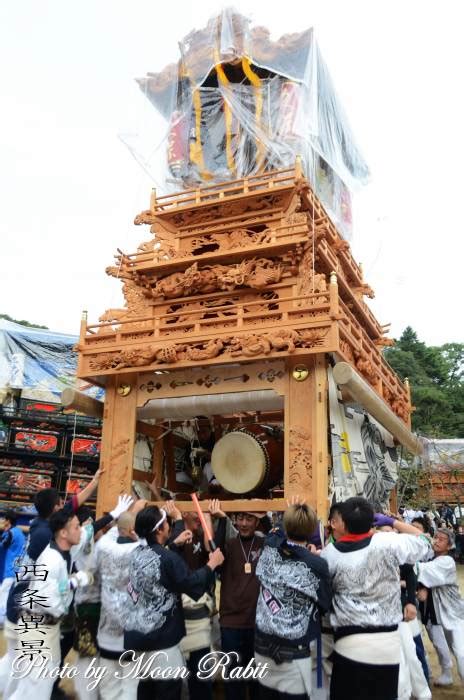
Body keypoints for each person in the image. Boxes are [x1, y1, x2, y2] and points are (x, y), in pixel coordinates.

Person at [320, 497, 432, 700]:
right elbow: (425, 540)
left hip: (348, 642)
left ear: (343, 522)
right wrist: (392, 522)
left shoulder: (329, 554)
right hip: (386, 645)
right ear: (372, 521)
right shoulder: (387, 542)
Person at [119, 505, 224, 700]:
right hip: (161, 643)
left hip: (138, 637)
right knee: (167, 693)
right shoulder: (168, 559)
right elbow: (191, 584)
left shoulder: (135, 553)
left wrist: (174, 544)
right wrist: (212, 564)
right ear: (159, 529)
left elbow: (159, 562)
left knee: (145, 691)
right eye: (167, 522)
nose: (169, 525)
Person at [3, 508, 94, 700]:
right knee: (36, 687)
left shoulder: (59, 552)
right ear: (63, 532)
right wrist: (73, 582)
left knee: (34, 683)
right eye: (77, 527)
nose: (81, 530)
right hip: (37, 625)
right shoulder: (52, 559)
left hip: (43, 626)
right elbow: (49, 601)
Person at [254, 501, 332, 699]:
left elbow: (274, 534)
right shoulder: (317, 564)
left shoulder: (269, 548)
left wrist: (285, 518)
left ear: (286, 526)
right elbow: (325, 603)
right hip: (294, 651)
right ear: (312, 529)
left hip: (262, 644)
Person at [212, 503, 271, 700]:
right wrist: (222, 520)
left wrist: (264, 516)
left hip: (257, 622)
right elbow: (214, 549)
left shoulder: (264, 544)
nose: (243, 523)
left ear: (257, 521)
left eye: (249, 518)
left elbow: (278, 540)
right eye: (240, 518)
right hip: (231, 622)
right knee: (233, 678)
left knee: (256, 679)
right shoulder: (228, 544)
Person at [167, 501, 216, 700]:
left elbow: (210, 546)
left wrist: (208, 516)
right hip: (176, 618)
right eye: (194, 512)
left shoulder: (198, 536)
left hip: (199, 619)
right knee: (174, 679)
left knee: (200, 676)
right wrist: (178, 521)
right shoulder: (172, 538)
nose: (198, 516)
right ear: (183, 512)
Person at [93, 508, 143, 700]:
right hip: (130, 634)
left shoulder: (103, 547)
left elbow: (115, 531)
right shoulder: (137, 550)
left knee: (108, 687)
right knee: (130, 687)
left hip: (106, 632)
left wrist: (120, 519)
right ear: (133, 529)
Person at [417, 528, 464, 686]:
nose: (436, 541)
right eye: (435, 537)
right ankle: (446, 674)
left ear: (449, 545)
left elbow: (422, 571)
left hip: (453, 613)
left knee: (460, 651)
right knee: (439, 643)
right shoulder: (430, 556)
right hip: (433, 611)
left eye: (441, 539)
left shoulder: (447, 562)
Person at [0, 510, 25, 625]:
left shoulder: (10, 533)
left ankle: (2, 620)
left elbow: (3, 545)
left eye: (4, 519)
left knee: (3, 594)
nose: (3, 521)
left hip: (10, 571)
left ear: (8, 521)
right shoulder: (19, 532)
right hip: (18, 569)